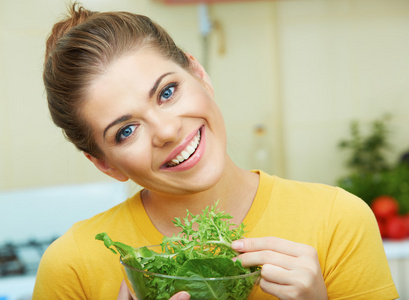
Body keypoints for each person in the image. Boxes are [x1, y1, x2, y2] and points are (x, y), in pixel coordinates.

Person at [33, 3, 399, 300]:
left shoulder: (338, 220)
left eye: (167, 92)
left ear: (199, 74)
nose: (166, 130)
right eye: (126, 131)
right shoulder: (73, 266)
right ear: (104, 164)